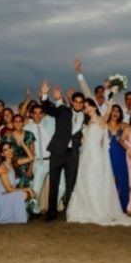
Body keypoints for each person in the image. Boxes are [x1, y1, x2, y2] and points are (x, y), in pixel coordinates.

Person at [66, 98, 131, 228]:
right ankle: (88, 209)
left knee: (95, 180)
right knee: (86, 181)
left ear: (95, 107)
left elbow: (107, 115)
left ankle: (98, 210)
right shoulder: (88, 122)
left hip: (95, 156)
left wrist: (110, 103)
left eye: (89, 106)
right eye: (85, 107)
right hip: (86, 156)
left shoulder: (101, 120)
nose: (86, 109)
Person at [40, 79, 85, 221]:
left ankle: (70, 212)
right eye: (75, 101)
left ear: (83, 104)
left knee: (71, 185)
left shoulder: (87, 117)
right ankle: (51, 213)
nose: (77, 104)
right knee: (54, 184)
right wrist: (45, 95)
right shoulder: (63, 111)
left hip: (73, 155)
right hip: (57, 152)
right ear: (71, 102)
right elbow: (48, 109)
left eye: (80, 102)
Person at [0, 141, 35, 224]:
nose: (9, 151)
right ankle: (10, 215)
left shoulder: (14, 163)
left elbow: (31, 158)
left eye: (10, 148)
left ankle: (21, 213)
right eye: (5, 150)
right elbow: (8, 189)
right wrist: (28, 189)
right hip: (0, 197)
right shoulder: (3, 167)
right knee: (24, 194)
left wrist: (22, 143)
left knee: (29, 194)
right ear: (2, 154)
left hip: (7, 193)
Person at [24, 103, 55, 214]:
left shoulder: (49, 125)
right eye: (35, 113)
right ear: (31, 114)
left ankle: (53, 207)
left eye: (40, 113)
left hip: (52, 160)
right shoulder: (27, 128)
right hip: (37, 161)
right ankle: (33, 210)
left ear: (43, 114)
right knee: (36, 188)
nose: (37, 115)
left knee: (61, 188)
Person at [106, 104, 130, 211]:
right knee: (111, 180)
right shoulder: (104, 125)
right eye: (113, 110)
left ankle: (122, 206)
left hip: (121, 155)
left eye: (118, 111)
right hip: (108, 155)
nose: (115, 113)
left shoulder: (124, 126)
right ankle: (111, 206)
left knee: (122, 180)